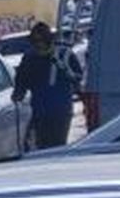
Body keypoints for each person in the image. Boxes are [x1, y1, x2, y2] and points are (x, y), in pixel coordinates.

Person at [12, 22, 84, 150]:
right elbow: (21, 81)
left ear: (49, 40)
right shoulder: (29, 58)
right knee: (42, 146)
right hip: (40, 111)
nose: (38, 45)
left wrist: (65, 69)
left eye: (41, 41)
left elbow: (78, 78)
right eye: (35, 42)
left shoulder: (64, 54)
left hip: (61, 111)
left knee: (58, 146)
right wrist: (18, 93)